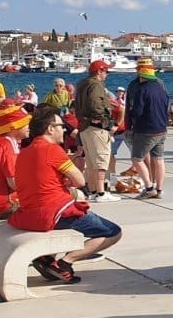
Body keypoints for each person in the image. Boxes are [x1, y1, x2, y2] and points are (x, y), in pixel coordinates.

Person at [10, 107, 122, 283]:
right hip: (54, 212)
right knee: (113, 232)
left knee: (75, 202)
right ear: (50, 129)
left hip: (28, 213)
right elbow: (80, 181)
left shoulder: (25, 152)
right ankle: (65, 262)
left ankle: (47, 259)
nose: (64, 130)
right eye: (61, 126)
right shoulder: (52, 150)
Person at [74, 60, 121, 202]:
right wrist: (103, 119)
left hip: (84, 127)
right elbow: (96, 103)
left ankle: (93, 190)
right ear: (99, 71)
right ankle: (101, 193)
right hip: (97, 127)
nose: (107, 74)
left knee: (91, 161)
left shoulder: (82, 84)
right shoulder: (96, 85)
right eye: (106, 71)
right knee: (101, 159)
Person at [126, 62, 169, 199]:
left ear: (142, 76)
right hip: (161, 128)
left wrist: (131, 118)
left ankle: (149, 187)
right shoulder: (161, 87)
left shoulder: (142, 89)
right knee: (159, 159)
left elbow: (137, 111)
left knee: (137, 159)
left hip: (146, 130)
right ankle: (159, 189)